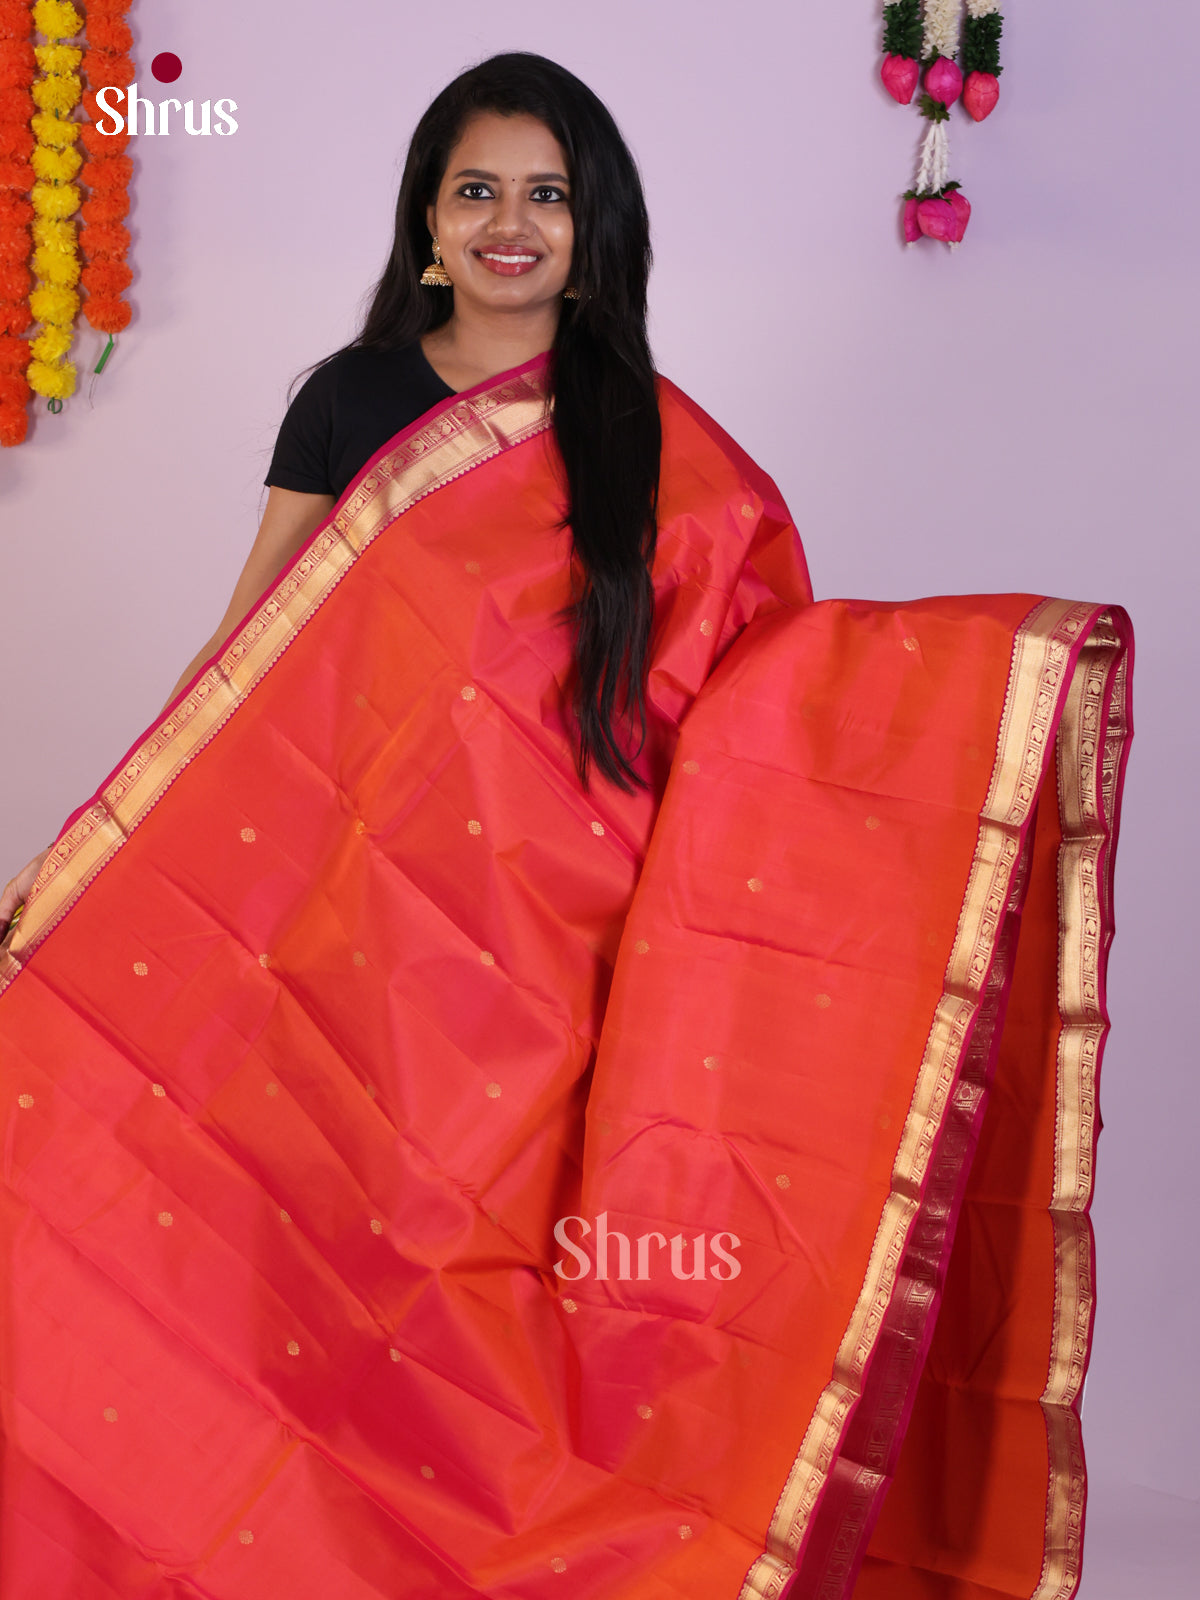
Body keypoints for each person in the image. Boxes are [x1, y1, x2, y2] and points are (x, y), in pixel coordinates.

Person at [0, 53, 1133, 1600]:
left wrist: (968, 681)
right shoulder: (355, 401)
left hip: (550, 953)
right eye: (478, 192)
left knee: (467, 1276)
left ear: (597, 232)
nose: (511, 224)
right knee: (246, 1223)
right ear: (427, 220)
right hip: (335, 921)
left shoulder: (659, 449)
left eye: (548, 194)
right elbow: (246, 651)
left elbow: (756, 683)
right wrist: (94, 862)